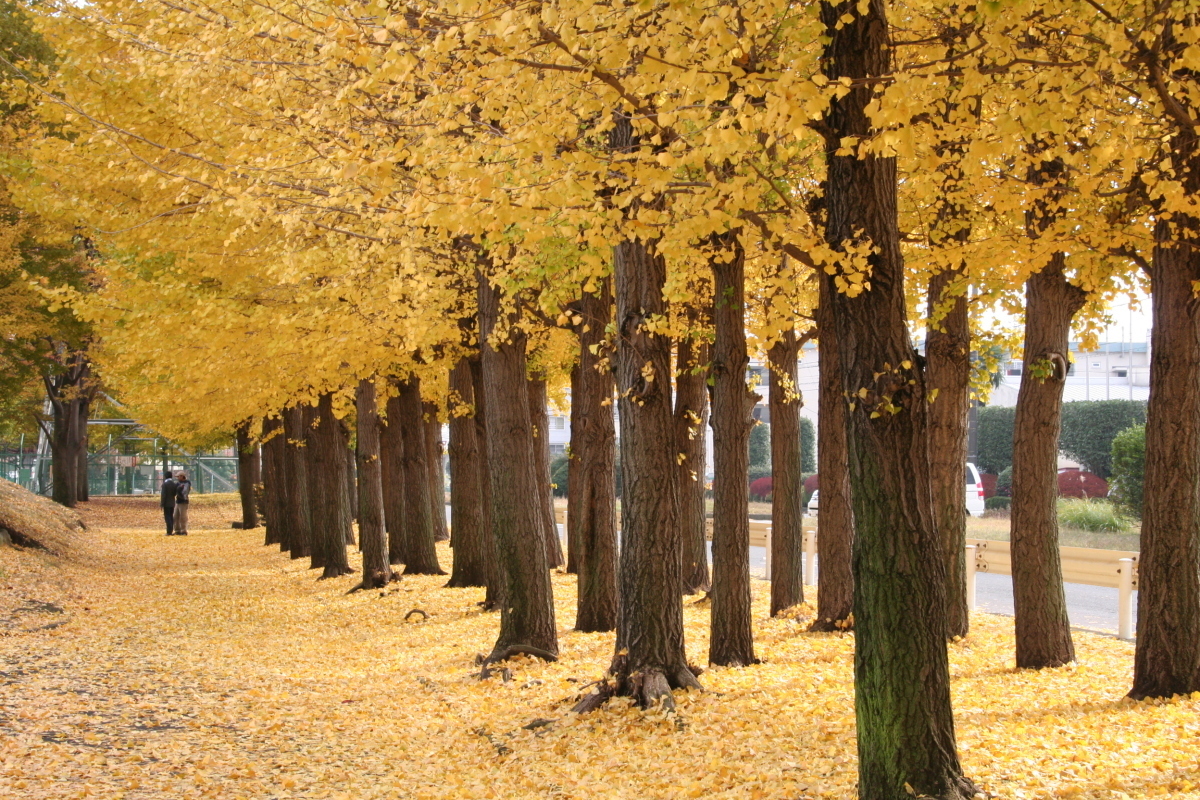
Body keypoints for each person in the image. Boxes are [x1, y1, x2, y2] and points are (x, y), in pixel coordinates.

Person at [173, 471, 192, 536]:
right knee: (175, 516)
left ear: (182, 476)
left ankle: (183, 530)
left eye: (178, 476)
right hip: (178, 501)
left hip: (183, 502)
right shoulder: (178, 483)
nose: (177, 478)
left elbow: (185, 492)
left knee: (183, 517)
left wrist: (182, 496)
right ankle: (177, 530)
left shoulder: (187, 483)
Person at [159, 471, 177, 536]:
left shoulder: (165, 484)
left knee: (167, 517)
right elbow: (175, 493)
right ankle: (171, 530)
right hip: (172, 502)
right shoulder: (173, 484)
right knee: (171, 516)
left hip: (166, 503)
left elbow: (163, 495)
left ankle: (169, 531)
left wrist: (162, 503)